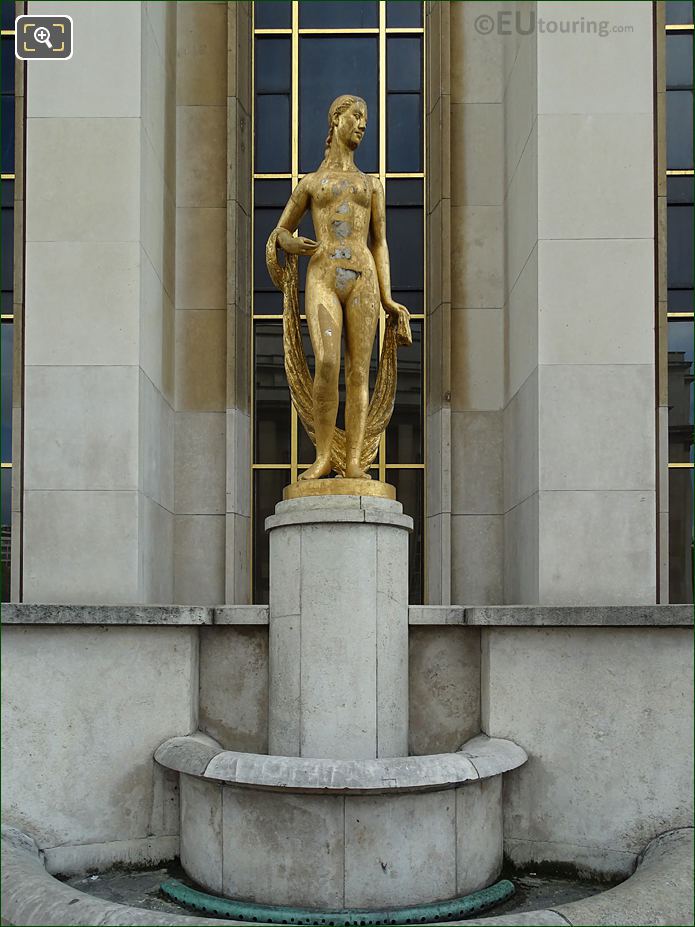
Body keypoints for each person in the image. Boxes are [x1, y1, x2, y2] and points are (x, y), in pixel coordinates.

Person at [269, 94, 410, 481]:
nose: (363, 124)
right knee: (328, 363)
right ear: (336, 120)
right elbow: (281, 230)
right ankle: (323, 455)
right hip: (324, 273)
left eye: (366, 118)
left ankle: (352, 463)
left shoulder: (371, 185)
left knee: (360, 371)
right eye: (357, 116)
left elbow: (380, 242)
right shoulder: (312, 183)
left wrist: (387, 298)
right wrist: (288, 241)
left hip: (362, 276)